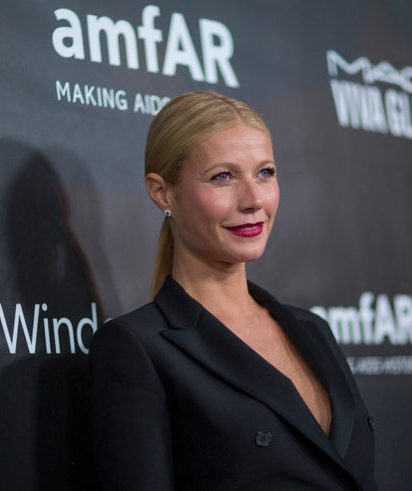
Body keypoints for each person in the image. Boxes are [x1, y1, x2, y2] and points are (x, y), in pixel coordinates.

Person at [90, 91, 378, 490]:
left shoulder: (313, 329)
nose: (254, 199)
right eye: (223, 176)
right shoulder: (138, 349)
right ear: (161, 192)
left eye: (265, 173)